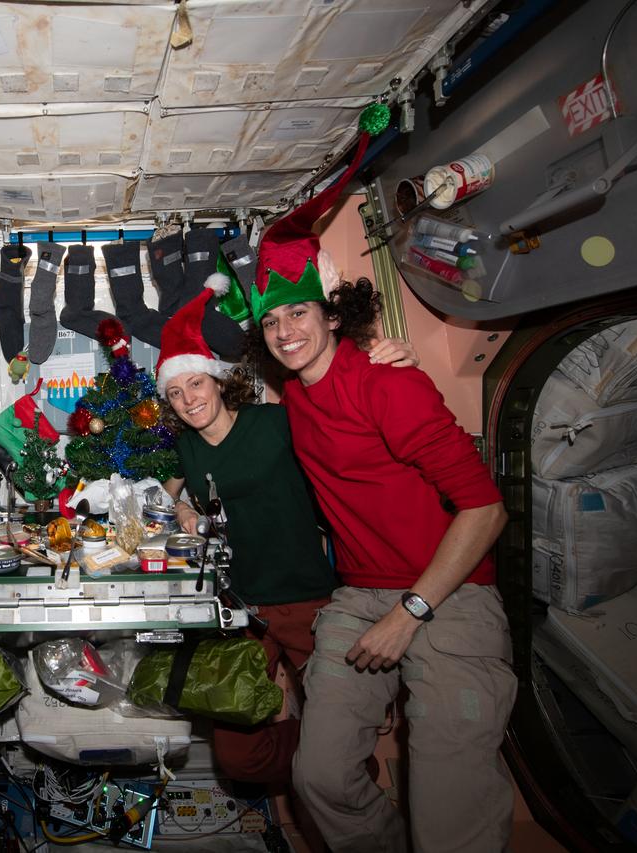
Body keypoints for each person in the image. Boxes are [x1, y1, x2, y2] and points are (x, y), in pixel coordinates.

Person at [249, 144, 514, 853]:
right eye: (272, 323)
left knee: (449, 809)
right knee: (320, 776)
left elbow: (486, 510)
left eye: (298, 313)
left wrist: (411, 611)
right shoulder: (296, 398)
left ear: (332, 315)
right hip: (361, 595)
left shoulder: (389, 383)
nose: (286, 331)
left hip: (450, 595)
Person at [156, 278, 416, 789]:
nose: (189, 399)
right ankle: (314, 765)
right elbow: (156, 503)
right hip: (242, 610)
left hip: (308, 600)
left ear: (218, 382)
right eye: (175, 392)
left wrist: (393, 360)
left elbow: (345, 411)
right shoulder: (186, 448)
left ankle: (337, 779)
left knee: (345, 748)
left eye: (196, 384)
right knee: (239, 759)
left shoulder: (276, 421)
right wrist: (181, 507)